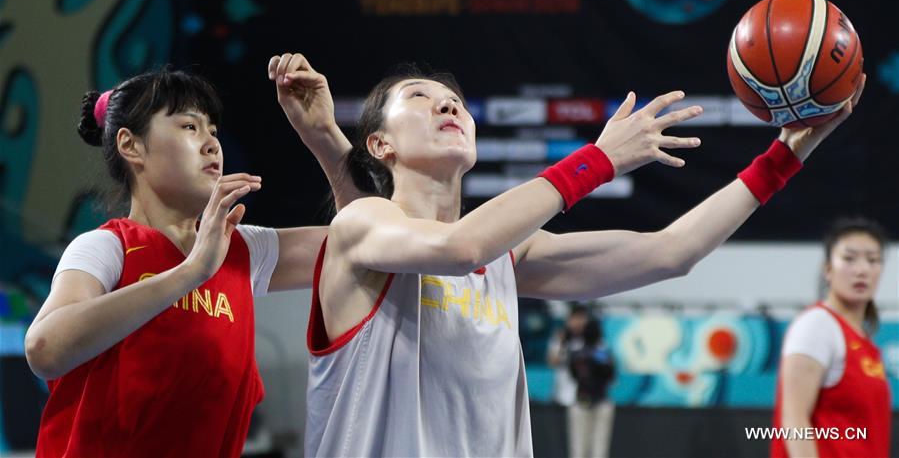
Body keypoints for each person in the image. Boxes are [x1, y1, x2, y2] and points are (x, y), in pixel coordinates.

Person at [305, 66, 866, 457]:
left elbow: (671, 252)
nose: (447, 103)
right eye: (419, 98)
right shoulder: (361, 224)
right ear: (380, 145)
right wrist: (597, 160)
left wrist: (786, 154)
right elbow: (457, 249)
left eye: (453, 99)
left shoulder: (507, 257)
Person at [25, 54, 357, 457]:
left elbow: (366, 243)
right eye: (189, 126)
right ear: (131, 145)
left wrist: (323, 133)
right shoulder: (107, 248)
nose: (211, 141)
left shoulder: (242, 250)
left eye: (212, 130)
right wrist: (193, 271)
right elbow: (45, 349)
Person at [771, 216, 891, 458]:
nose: (862, 269)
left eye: (873, 260)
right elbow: (794, 420)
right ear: (827, 269)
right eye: (849, 258)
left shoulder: (863, 341)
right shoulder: (817, 325)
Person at [548, 305, 616, 458]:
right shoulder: (565, 340)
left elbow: (610, 372)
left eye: (582, 318)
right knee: (577, 448)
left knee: (598, 448)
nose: (579, 322)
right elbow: (555, 362)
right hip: (570, 396)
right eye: (575, 318)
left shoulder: (599, 345)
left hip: (598, 398)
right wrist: (563, 343)